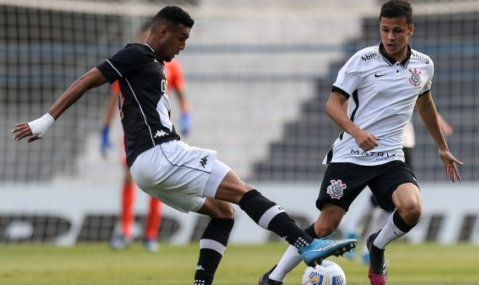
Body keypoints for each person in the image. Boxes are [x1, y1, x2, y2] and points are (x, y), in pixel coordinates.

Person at [11, 6, 357, 285]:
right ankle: (305, 245)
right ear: (162, 32)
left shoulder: (153, 64)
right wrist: (47, 120)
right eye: (181, 37)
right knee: (242, 190)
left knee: (223, 212)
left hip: (147, 167)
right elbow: (89, 78)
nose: (183, 45)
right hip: (160, 153)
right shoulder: (137, 52)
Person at [257, 1, 463, 285]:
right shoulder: (362, 61)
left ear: (410, 30)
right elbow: (333, 104)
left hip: (390, 155)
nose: (390, 37)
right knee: (327, 225)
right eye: (385, 30)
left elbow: (426, 105)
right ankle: (274, 277)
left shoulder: (423, 65)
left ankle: (376, 245)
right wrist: (356, 131)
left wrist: (442, 147)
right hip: (352, 153)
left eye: (397, 31)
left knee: (412, 208)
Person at [100, 22, 192, 252]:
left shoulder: (171, 64)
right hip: (133, 131)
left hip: (159, 131)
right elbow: (114, 97)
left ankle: (150, 236)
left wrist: (187, 115)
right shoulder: (130, 62)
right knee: (129, 178)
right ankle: (125, 232)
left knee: (157, 181)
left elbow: (181, 92)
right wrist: (105, 128)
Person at [343, 116, 454, 264]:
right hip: (397, 142)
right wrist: (439, 122)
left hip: (389, 141)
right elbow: (423, 103)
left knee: (386, 199)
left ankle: (360, 241)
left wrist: (439, 121)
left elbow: (423, 102)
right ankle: (359, 238)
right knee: (391, 196)